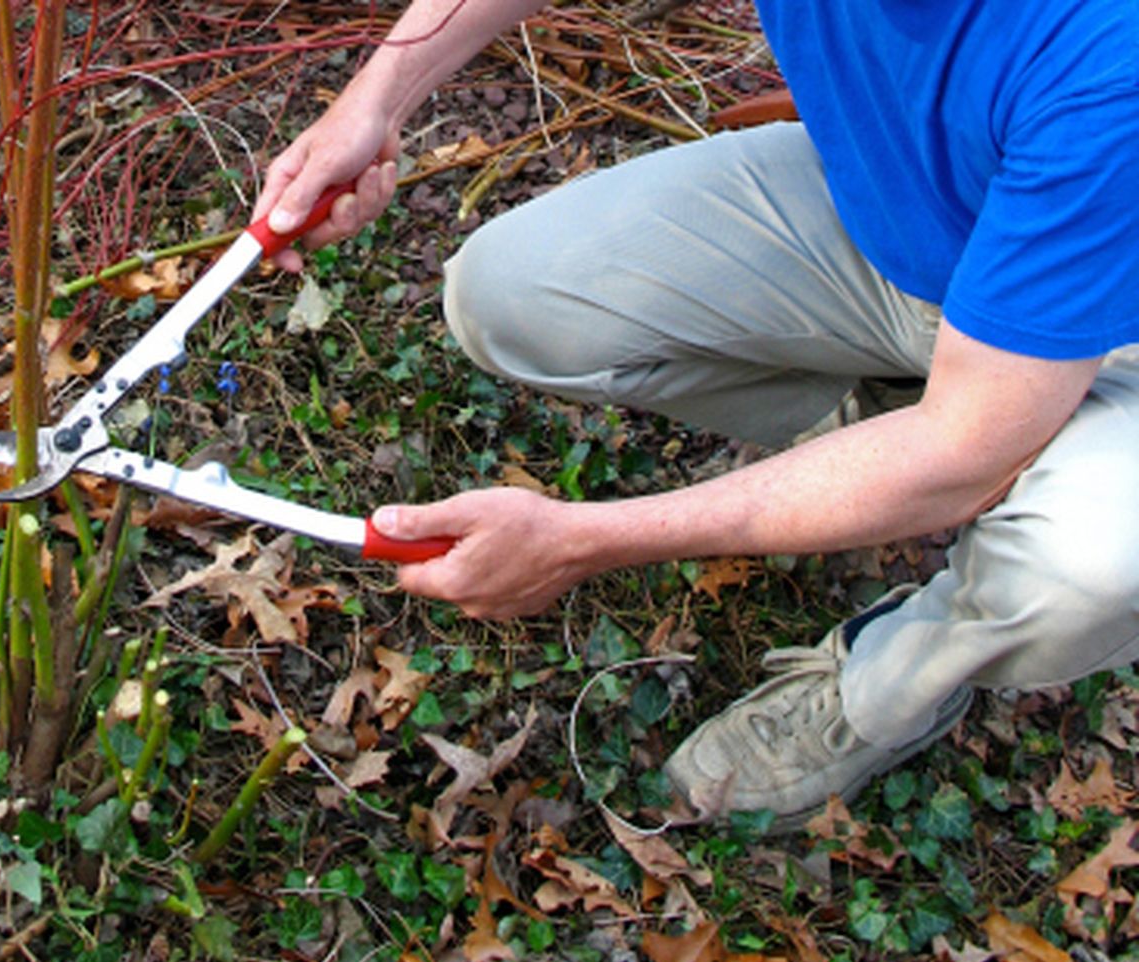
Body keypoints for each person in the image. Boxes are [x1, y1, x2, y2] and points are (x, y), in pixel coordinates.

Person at [251, 0, 1139, 829]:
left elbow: (959, 449)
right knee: (513, 296)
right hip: (908, 214)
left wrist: (578, 540)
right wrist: (377, 97)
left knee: (1080, 568)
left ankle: (890, 682)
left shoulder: (1105, 56)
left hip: (1113, 331)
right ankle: (888, 431)